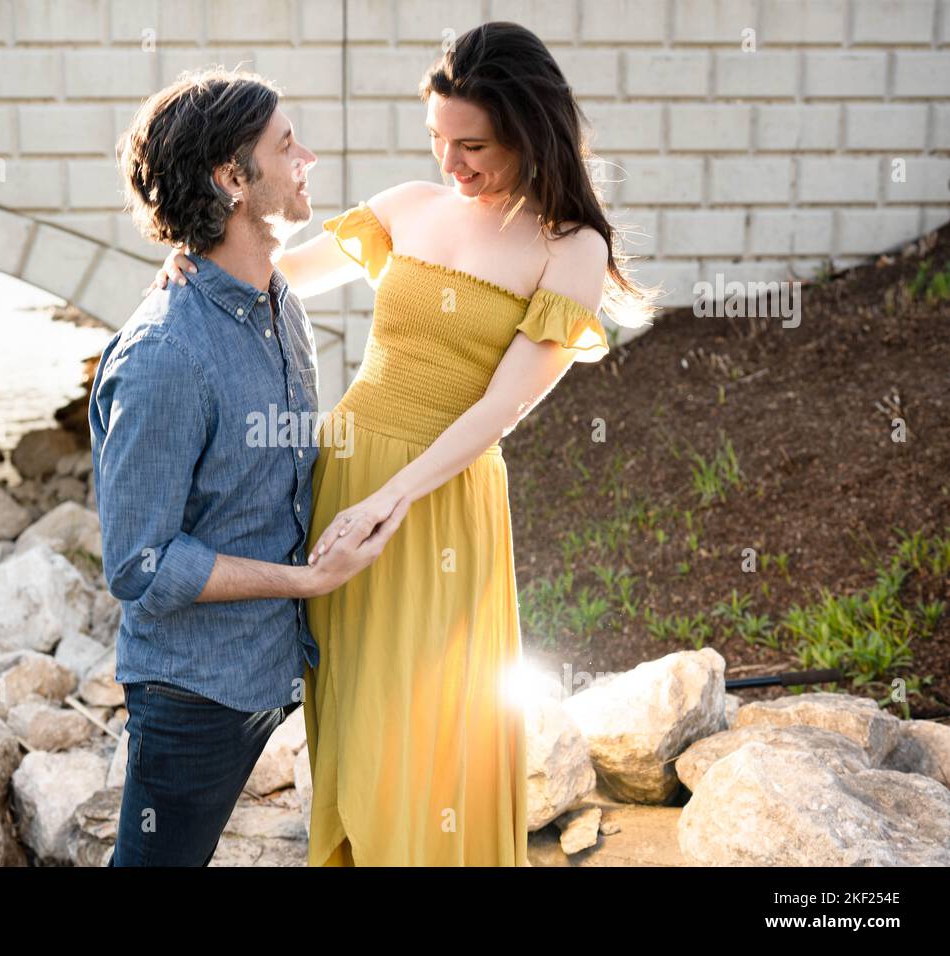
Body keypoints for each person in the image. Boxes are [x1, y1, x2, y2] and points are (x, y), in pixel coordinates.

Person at [150, 22, 659, 865]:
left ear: (532, 132)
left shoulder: (571, 248)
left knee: (434, 718)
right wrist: (193, 258)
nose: (451, 166)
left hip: (437, 498)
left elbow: (501, 407)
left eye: (474, 146)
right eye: (437, 140)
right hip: (344, 478)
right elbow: (273, 277)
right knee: (352, 706)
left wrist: (396, 495)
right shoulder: (410, 207)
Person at [89, 67, 409, 867]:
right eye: (286, 145)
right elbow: (139, 564)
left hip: (277, 661)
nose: (309, 158)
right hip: (195, 692)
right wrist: (307, 581)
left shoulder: (276, 304)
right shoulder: (165, 353)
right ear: (232, 179)